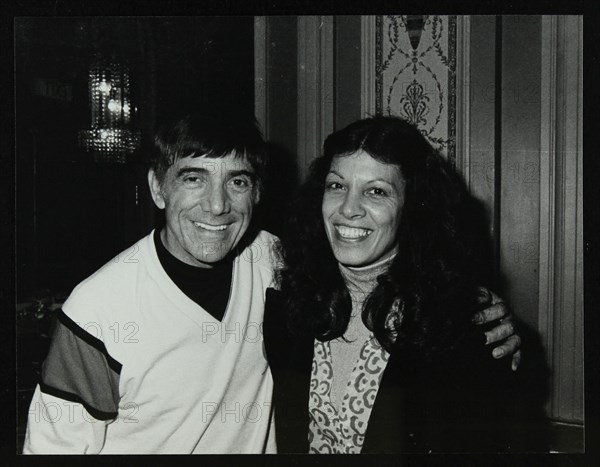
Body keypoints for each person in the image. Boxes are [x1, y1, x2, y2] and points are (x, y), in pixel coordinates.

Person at [23, 112, 519, 454]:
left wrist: (481, 311)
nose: (217, 206)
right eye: (193, 178)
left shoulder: (275, 267)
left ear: (257, 191)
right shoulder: (98, 309)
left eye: (236, 181)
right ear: (157, 187)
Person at [264, 116, 547, 453]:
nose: (348, 209)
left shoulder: (464, 327)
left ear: (412, 206)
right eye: (337, 186)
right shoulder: (289, 301)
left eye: (376, 191)